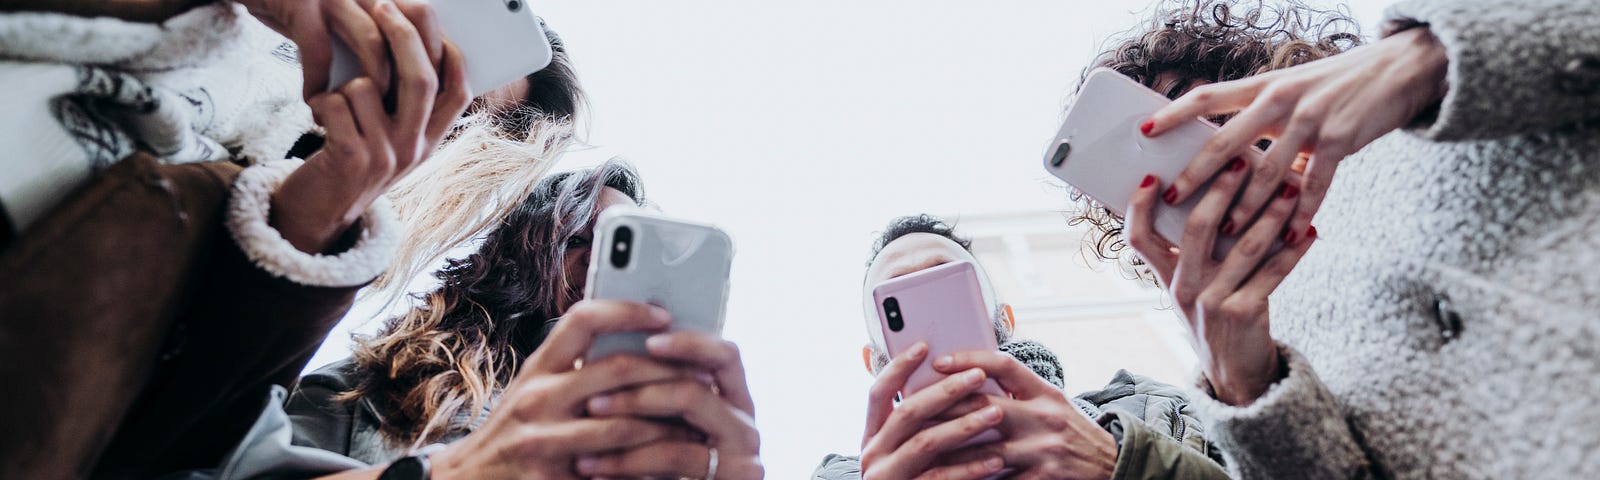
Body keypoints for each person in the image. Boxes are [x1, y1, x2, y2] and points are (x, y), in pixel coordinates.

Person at [0, 0, 575, 477]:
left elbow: (169, 446)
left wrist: (313, 220)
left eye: (452, 112)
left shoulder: (297, 239)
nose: (420, 87)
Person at [1085, 0, 1600, 477]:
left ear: (1264, 81)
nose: (1200, 169)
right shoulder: (1259, 347)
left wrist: (1439, 53)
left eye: (1202, 120)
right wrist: (1248, 391)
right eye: (1152, 192)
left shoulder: (1449, 107)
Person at [230, 161, 760, 480]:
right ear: (519, 255)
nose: (596, 271)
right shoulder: (372, 385)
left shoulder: (651, 441)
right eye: (579, 240)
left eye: (617, 253)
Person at [815, 215, 1226, 480]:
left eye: (949, 281)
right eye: (897, 300)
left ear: (1004, 320)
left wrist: (1117, 463)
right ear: (874, 361)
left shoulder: (1153, 412)